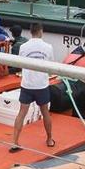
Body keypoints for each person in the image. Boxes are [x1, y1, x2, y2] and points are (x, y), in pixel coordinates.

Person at [9, 23, 55, 152]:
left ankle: (14, 142)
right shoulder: (48, 47)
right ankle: (49, 139)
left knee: (21, 113)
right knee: (45, 112)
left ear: (30, 32)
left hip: (27, 85)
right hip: (41, 85)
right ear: (41, 31)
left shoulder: (23, 47)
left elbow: (19, 63)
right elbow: (50, 67)